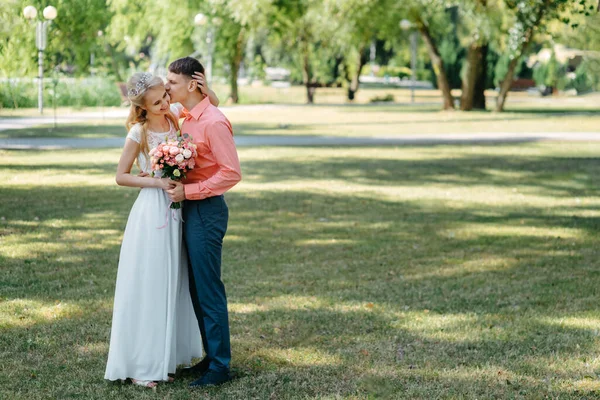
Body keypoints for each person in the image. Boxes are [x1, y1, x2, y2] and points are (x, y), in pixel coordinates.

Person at [104, 71, 219, 388]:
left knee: (172, 281)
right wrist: (155, 180)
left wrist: (206, 90)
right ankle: (142, 363)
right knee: (151, 282)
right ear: (142, 108)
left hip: (176, 211)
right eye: (156, 102)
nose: (165, 103)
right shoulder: (138, 132)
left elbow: (209, 105)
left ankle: (164, 358)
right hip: (151, 210)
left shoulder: (173, 117)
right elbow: (121, 176)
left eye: (166, 96)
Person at [164, 57, 242, 388]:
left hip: (207, 210)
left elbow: (231, 172)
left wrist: (191, 191)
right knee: (196, 287)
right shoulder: (186, 116)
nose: (167, 86)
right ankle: (210, 357)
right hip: (189, 208)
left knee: (209, 288)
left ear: (192, 84)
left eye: (172, 82)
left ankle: (221, 366)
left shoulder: (213, 123)